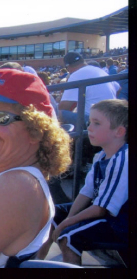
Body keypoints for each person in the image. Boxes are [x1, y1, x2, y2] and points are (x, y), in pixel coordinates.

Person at [36, 99, 128, 265]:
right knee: (50, 214)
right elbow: (86, 192)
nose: (89, 128)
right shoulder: (100, 156)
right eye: (89, 122)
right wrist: (67, 219)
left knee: (68, 238)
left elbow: (101, 209)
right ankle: (34, 263)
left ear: (119, 131)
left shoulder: (123, 159)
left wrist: (67, 224)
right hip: (106, 215)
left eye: (97, 123)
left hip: (120, 222)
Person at [58, 52, 116, 129]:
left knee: (56, 112)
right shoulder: (99, 70)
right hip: (113, 117)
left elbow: (63, 107)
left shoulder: (76, 75)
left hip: (94, 121)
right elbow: (118, 88)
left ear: (68, 67)